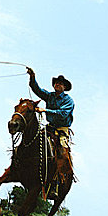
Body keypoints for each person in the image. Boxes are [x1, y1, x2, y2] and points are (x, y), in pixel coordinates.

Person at [26, 67, 74, 199]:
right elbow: (37, 90)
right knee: (34, 140)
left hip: (62, 130)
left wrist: (45, 111)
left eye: (61, 83)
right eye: (56, 82)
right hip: (50, 127)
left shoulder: (68, 100)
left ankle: (56, 183)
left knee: (62, 153)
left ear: (64, 87)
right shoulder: (50, 96)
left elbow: (63, 114)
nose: (58, 84)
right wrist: (32, 77)